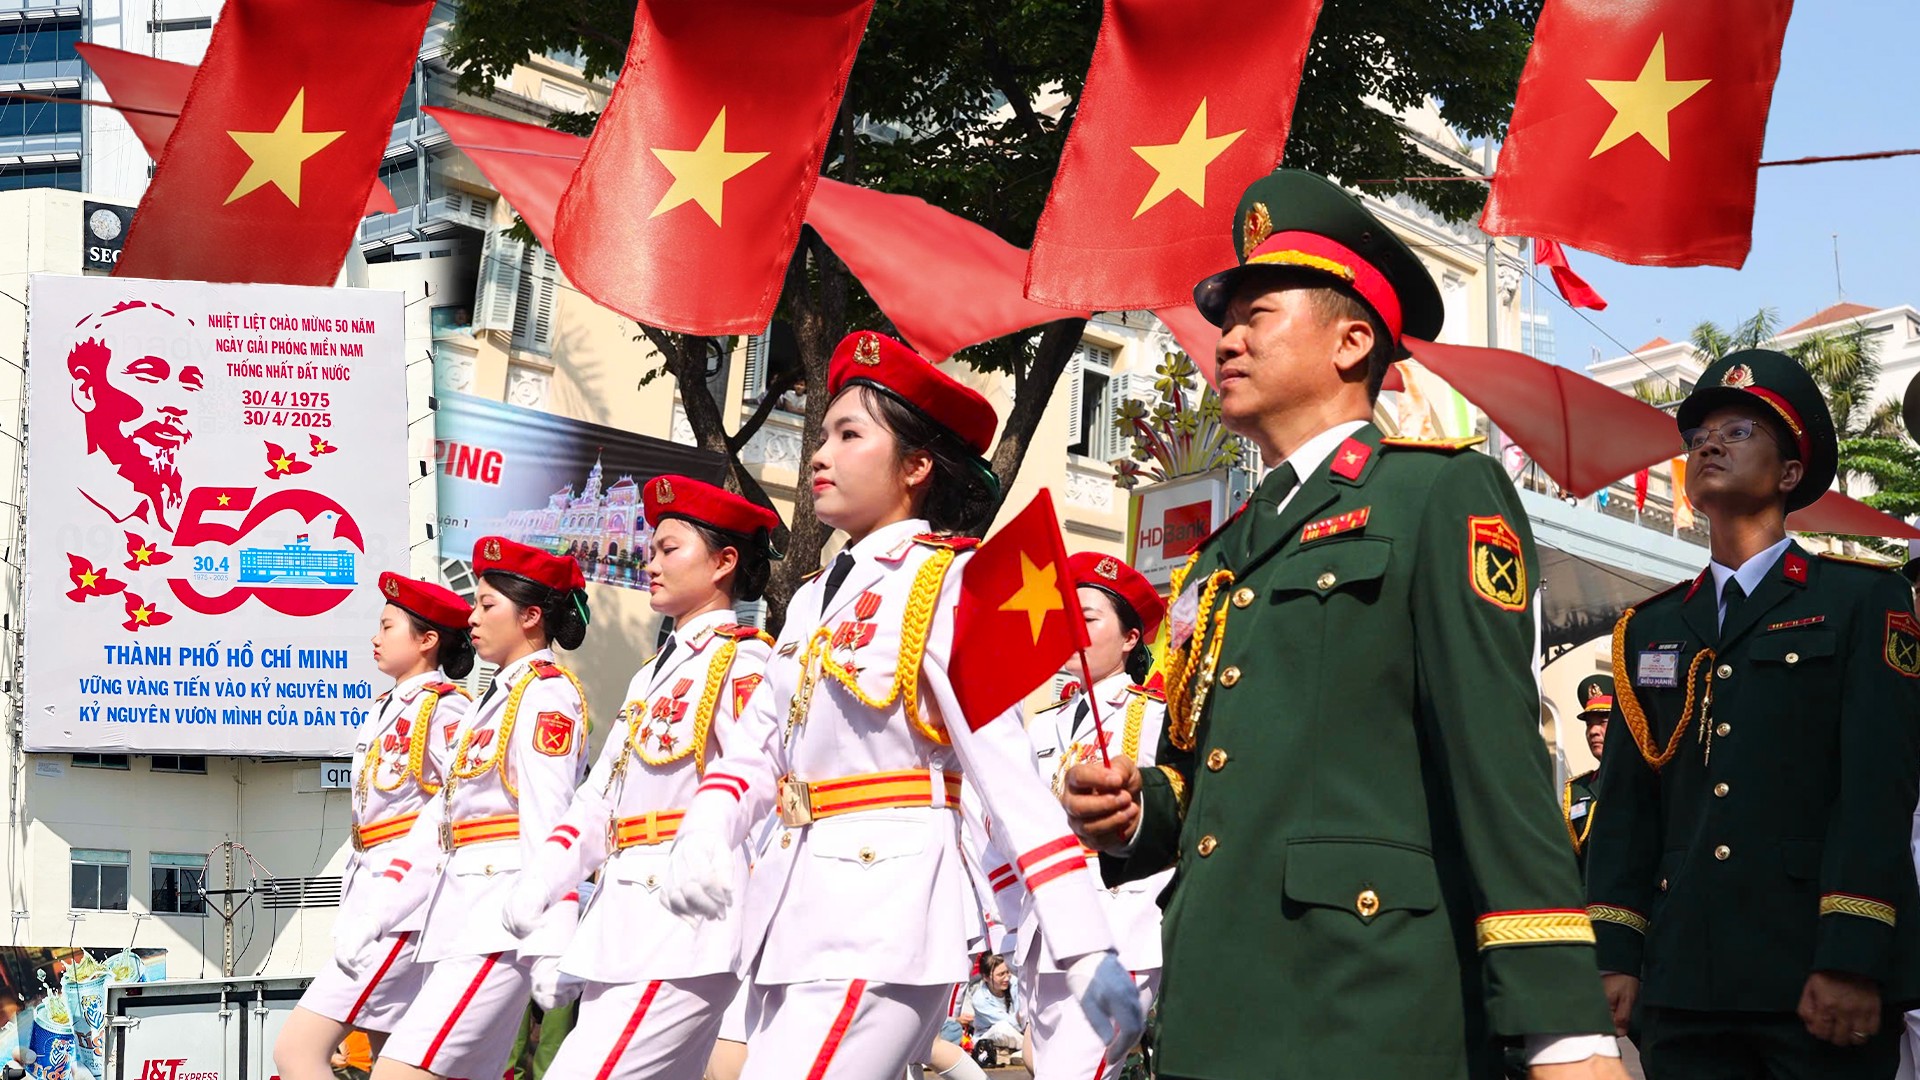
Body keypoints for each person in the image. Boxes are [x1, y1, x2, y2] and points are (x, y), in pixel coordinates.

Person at [1060, 169, 1621, 1080]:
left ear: (1353, 342)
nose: (1226, 340)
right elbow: (1207, 778)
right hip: (1213, 1009)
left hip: (1368, 1011)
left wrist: (1565, 1030)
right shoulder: (1222, 554)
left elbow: (1497, 763)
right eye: (1225, 322)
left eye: (1257, 316)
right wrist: (1132, 812)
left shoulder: (1436, 494)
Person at [660, 331, 1142, 1080]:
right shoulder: (812, 598)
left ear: (916, 467)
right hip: (791, 912)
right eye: (823, 434)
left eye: (849, 435)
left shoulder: (946, 582)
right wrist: (708, 825)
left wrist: (1081, 943)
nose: (819, 454)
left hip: (884, 916)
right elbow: (759, 743)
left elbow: (1006, 774)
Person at [1585, 349, 1920, 1079]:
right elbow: (1627, 809)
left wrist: (1852, 956)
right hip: (1683, 979)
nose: (1709, 445)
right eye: (1700, 436)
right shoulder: (1651, 626)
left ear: (1790, 473)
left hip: (1810, 974)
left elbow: (1876, 791)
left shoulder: (1861, 600)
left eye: (1738, 432)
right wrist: (1615, 953)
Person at [502, 475, 779, 1080]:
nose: (650, 563)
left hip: (685, 925)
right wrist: (546, 880)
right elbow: (599, 798)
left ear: (723, 563)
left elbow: (761, 790)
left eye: (668, 549)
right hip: (625, 916)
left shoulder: (742, 661)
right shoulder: (650, 674)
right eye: (651, 549)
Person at [345, 537, 593, 1080]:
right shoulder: (491, 702)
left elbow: (551, 821)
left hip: (497, 921)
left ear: (531, 616)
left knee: (396, 1072)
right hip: (458, 918)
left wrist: (553, 934)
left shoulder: (546, 695)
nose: (472, 617)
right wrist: (378, 914)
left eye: (486, 604)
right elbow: (439, 826)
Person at [275, 573, 475, 1080]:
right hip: (368, 887)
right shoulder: (386, 707)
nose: (376, 637)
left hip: (403, 905)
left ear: (427, 640)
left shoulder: (445, 708)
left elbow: (465, 802)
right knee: (398, 1064)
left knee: (295, 1052)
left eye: (388, 627)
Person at [1017, 552, 1166, 1080]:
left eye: (1089, 617)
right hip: (1044, 929)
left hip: (1119, 925)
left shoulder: (1152, 715)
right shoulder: (1043, 724)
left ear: (1130, 639)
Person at [65, 299, 203, 530]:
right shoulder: (65, 502)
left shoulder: (181, 504)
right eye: (148, 376)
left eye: (190, 383)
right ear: (86, 391)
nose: (176, 404)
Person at [1563, 675, 1614, 872]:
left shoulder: (1647, 779)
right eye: (1588, 724)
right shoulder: (1576, 790)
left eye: (1603, 721)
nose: (1593, 731)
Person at [970, 954, 1024, 1053]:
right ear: (986, 977)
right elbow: (1011, 1022)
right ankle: (1029, 1047)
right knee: (1001, 1029)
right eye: (1001, 974)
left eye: (1007, 972)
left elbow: (1022, 1012)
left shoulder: (1014, 982)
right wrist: (1021, 1017)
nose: (1006, 978)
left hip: (1017, 1031)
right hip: (989, 1036)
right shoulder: (979, 999)